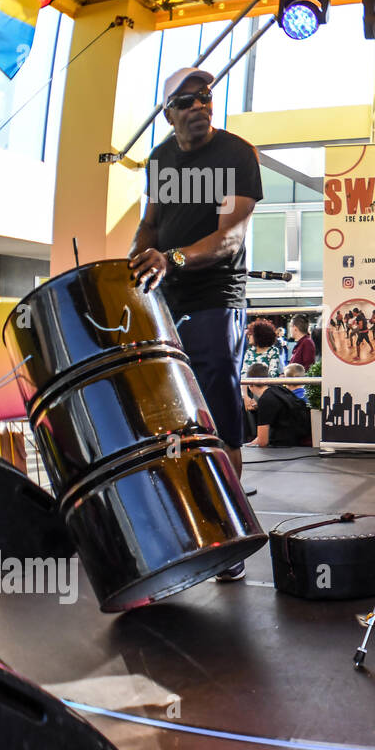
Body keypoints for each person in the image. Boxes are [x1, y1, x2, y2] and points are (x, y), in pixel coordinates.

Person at [129, 67, 263, 581]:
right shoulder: (161, 157)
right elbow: (151, 223)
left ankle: (231, 533)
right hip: (165, 297)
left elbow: (230, 237)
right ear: (169, 113)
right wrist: (134, 261)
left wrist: (173, 260)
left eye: (205, 97)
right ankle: (186, 524)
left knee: (218, 412)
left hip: (214, 297)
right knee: (169, 412)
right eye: (186, 101)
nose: (199, 106)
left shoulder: (236, 154)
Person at [245, 362, 312, 448]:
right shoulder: (279, 390)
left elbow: (262, 442)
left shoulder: (265, 399)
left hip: (282, 447)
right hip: (298, 441)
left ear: (250, 384)